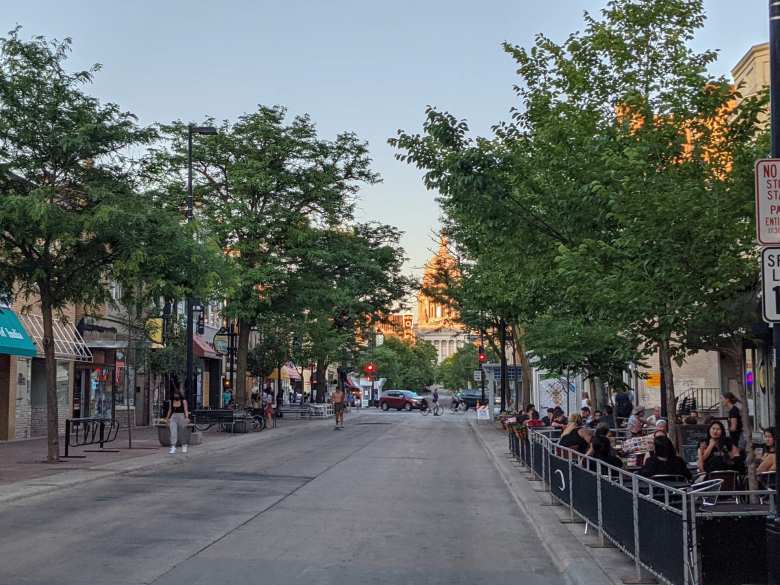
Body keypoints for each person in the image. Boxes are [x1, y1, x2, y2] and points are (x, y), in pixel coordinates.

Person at [165, 388, 190, 454]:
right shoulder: (171, 401)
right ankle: (173, 447)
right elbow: (170, 410)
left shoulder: (183, 401)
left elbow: (185, 410)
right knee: (173, 432)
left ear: (179, 395)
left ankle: (184, 445)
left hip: (181, 416)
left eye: (177, 395)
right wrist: (167, 418)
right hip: (173, 416)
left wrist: (187, 417)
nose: (176, 396)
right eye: (174, 395)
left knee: (182, 432)